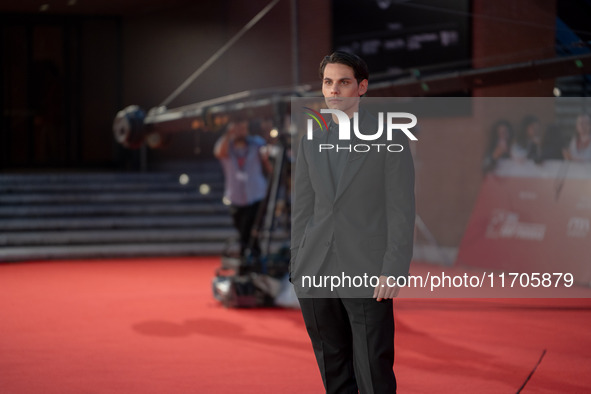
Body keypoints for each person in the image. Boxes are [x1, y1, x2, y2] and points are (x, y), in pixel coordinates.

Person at [290, 51, 415, 393]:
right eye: (328, 82)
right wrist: (296, 265)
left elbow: (402, 210)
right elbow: (302, 211)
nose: (334, 91)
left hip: (367, 271)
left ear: (361, 87)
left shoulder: (391, 139)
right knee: (333, 371)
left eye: (343, 82)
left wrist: (393, 268)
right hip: (315, 270)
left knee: (373, 371)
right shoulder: (309, 141)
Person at [214, 117, 271, 257]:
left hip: (256, 194)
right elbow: (218, 153)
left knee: (252, 230)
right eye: (237, 128)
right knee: (242, 230)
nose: (241, 132)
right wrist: (229, 135)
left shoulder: (256, 143)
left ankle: (249, 258)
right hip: (235, 196)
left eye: (243, 128)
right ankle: (250, 258)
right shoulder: (226, 145)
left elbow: (267, 160)